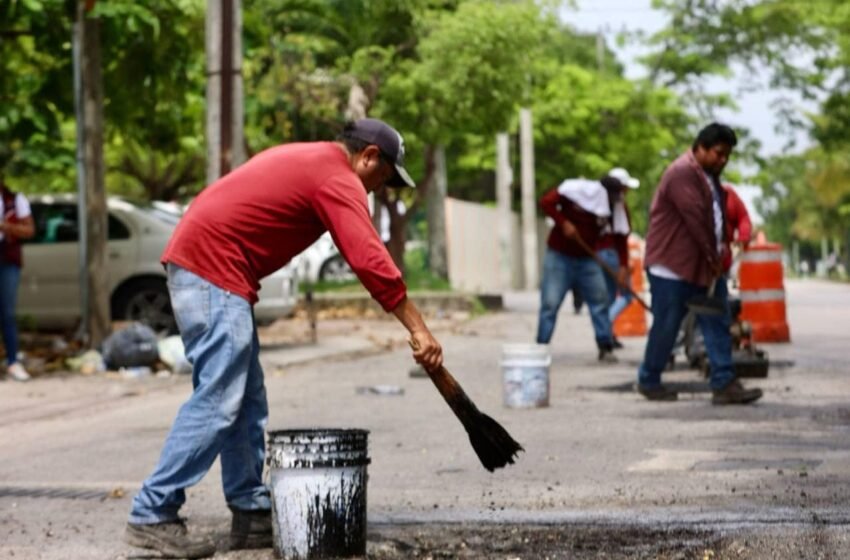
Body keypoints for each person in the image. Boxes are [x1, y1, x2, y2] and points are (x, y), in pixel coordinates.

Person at [125, 118, 443, 559]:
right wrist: (418, 327)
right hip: (211, 270)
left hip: (212, 270)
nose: (376, 190)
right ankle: (153, 513)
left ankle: (251, 512)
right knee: (219, 399)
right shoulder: (338, 176)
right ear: (368, 156)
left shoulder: (316, 161)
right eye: (382, 178)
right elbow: (368, 257)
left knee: (246, 399)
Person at [636, 123, 763, 405]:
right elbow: (696, 222)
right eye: (718, 154)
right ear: (700, 148)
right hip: (672, 266)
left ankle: (724, 382)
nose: (723, 160)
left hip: (704, 267)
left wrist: (717, 257)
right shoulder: (682, 172)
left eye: (727, 156)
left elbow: (715, 220)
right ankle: (649, 379)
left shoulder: (708, 176)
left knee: (718, 320)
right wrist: (714, 258)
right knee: (668, 326)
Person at [537, 175, 618, 363]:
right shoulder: (574, 192)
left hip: (587, 259)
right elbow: (546, 202)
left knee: (600, 301)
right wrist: (563, 222)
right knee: (550, 302)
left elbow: (615, 234)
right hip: (559, 255)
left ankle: (605, 345)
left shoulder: (611, 207)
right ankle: (541, 348)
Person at [595, 167, 640, 348]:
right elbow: (622, 238)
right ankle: (605, 329)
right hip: (611, 254)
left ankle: (607, 332)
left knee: (608, 298)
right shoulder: (619, 207)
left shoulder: (595, 204)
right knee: (625, 295)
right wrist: (623, 264)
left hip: (597, 255)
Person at [0, 181, 35, 381]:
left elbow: (29, 230)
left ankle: (13, 362)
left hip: (7, 259)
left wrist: (5, 226)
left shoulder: (14, 200)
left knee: (7, 312)